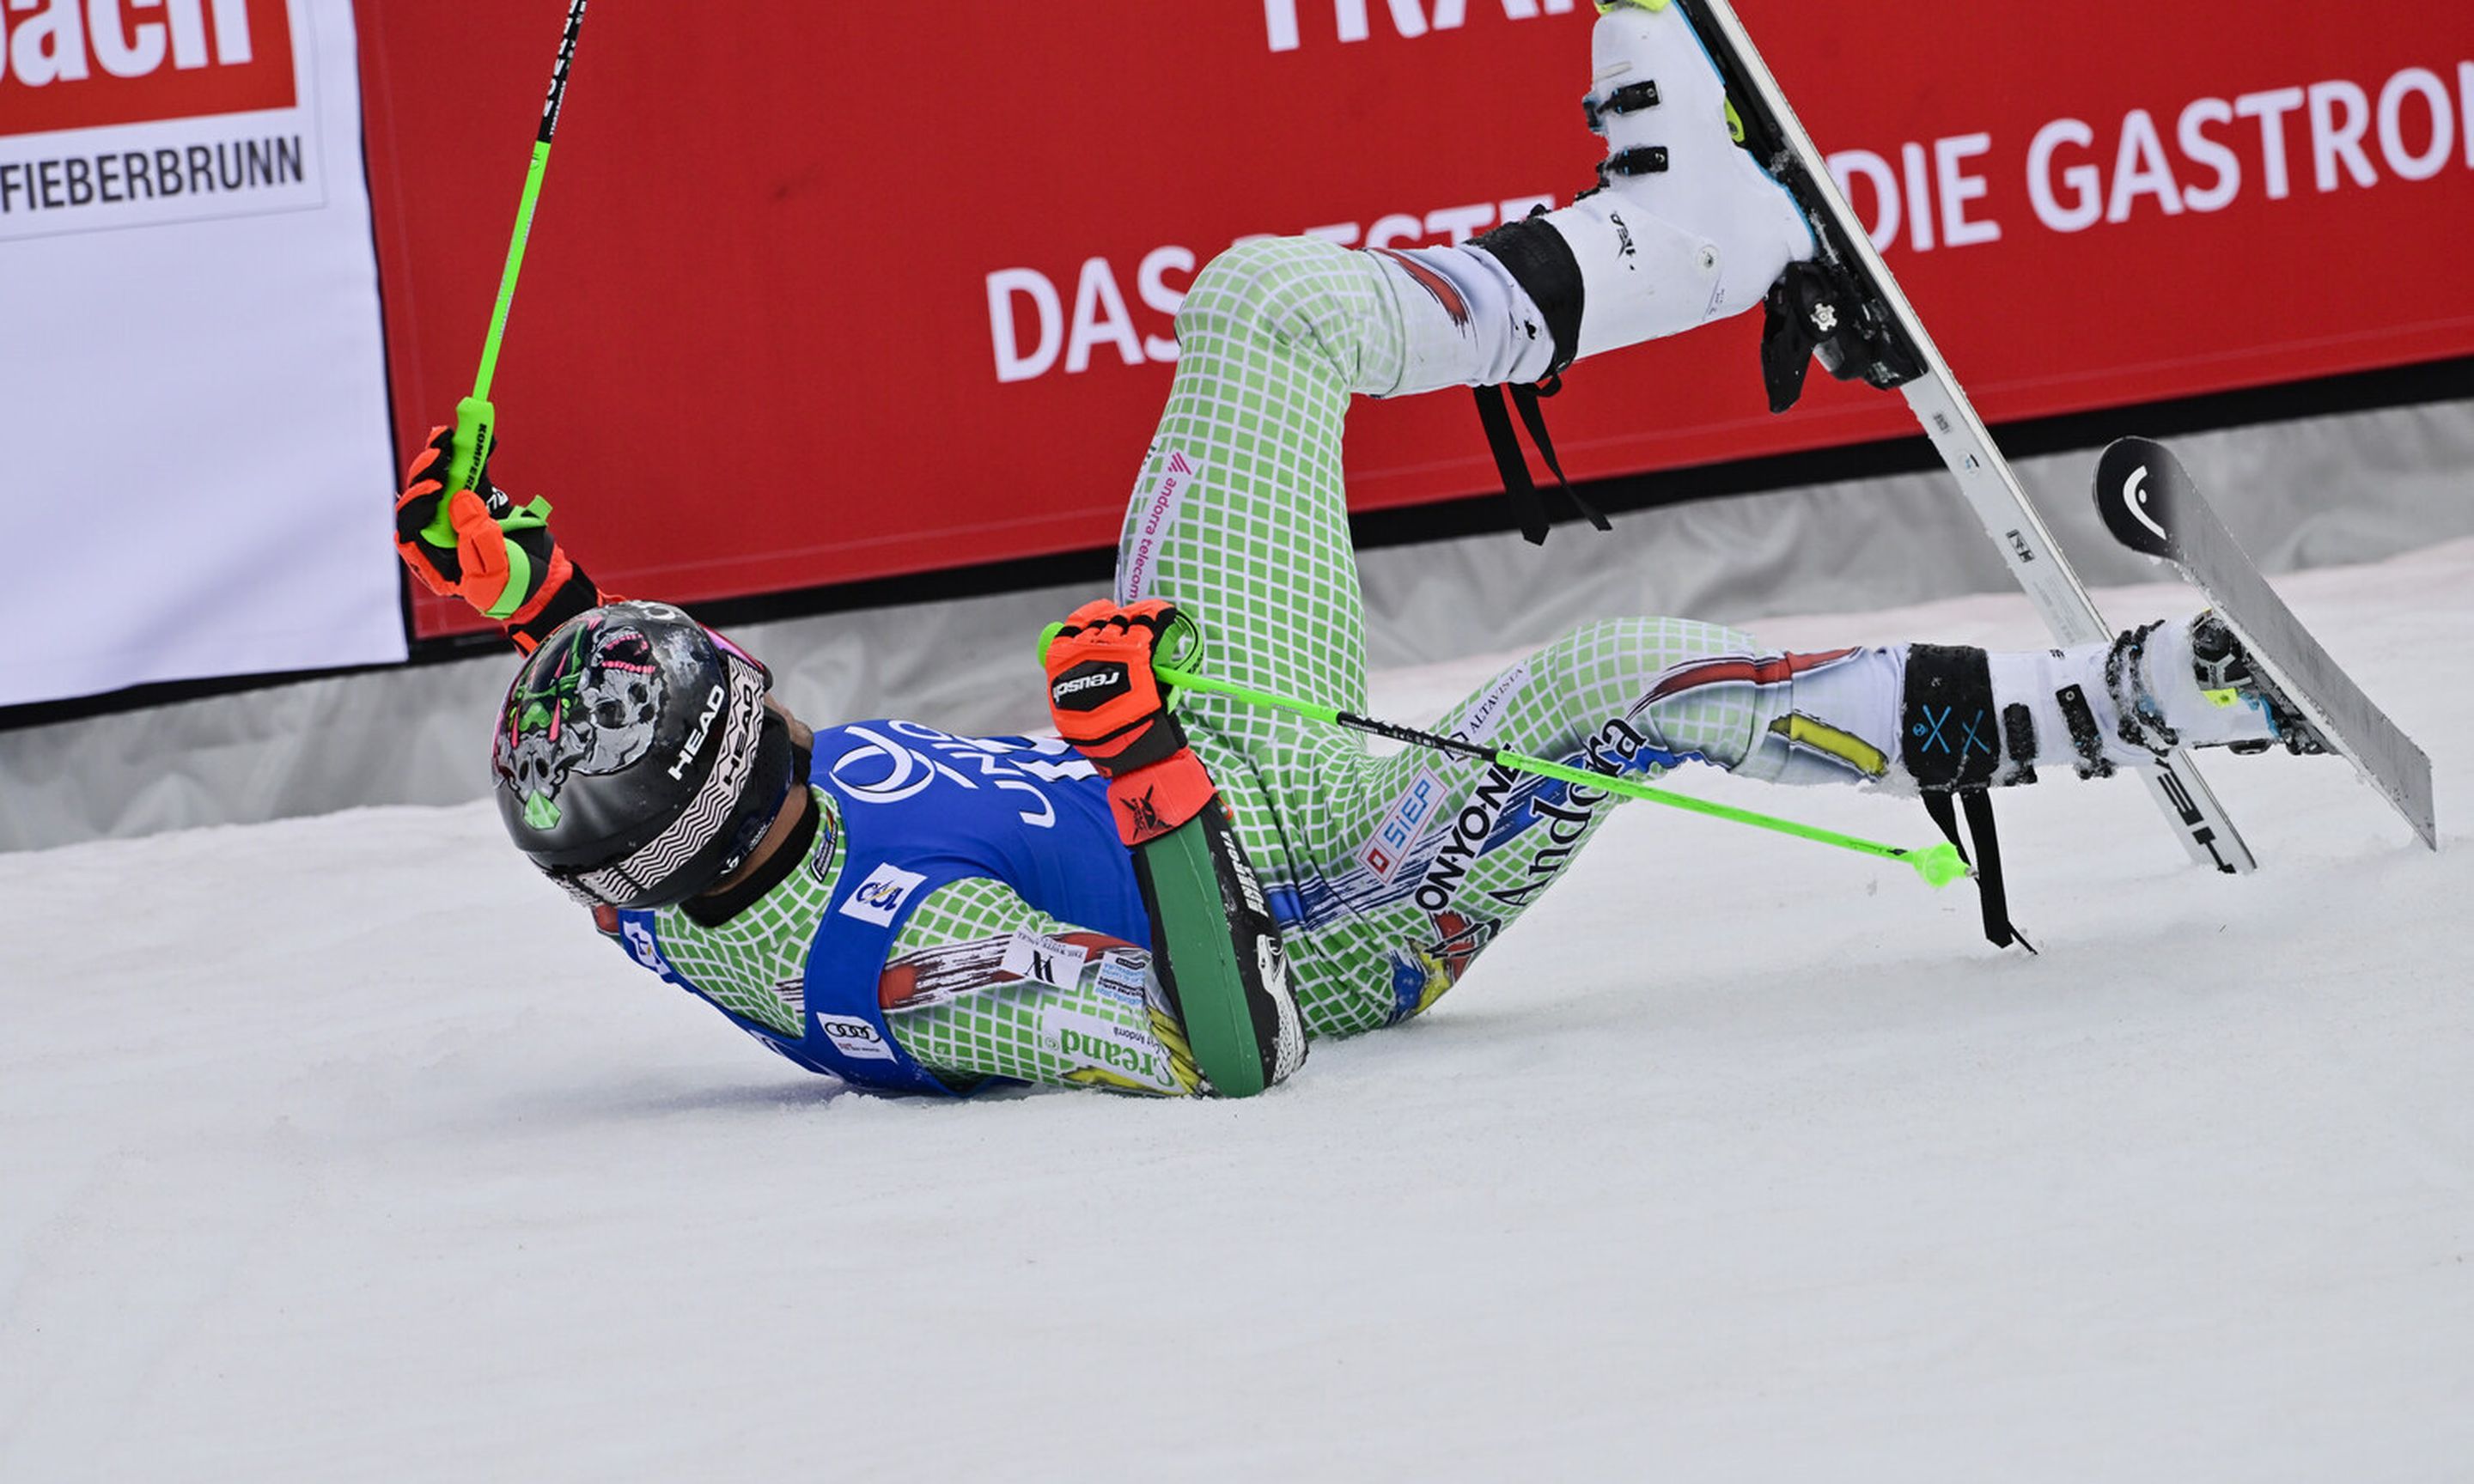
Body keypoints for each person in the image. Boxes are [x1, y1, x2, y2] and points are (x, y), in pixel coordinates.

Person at [393, 2, 2318, 1100]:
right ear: (735, 800)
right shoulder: (904, 965)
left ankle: (1690, 232)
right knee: (1619, 679)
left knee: (1260, 310)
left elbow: (624, 813)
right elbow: (1232, 1048)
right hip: (1311, 895)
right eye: (748, 704)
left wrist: (543, 607)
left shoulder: (658, 854)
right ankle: (2141, 699)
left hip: (1187, 758)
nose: (766, 685)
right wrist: (1150, 773)